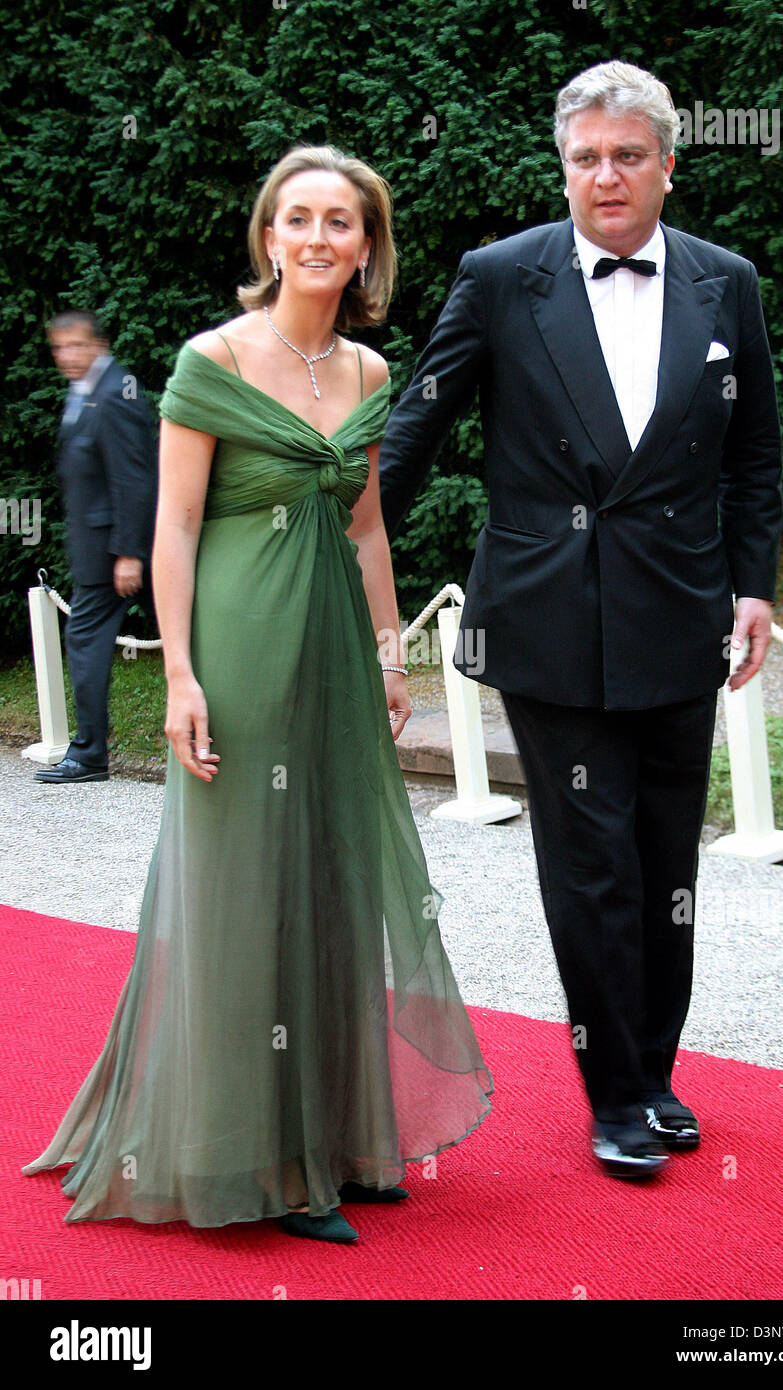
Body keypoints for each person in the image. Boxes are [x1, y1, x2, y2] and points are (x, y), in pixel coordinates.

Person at [23, 146, 492, 1243]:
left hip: (333, 643)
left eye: (343, 221)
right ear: (268, 238)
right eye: (300, 220)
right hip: (237, 645)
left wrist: (390, 654)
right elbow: (173, 526)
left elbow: (368, 523)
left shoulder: (372, 374)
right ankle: (253, 1154)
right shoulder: (212, 359)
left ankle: (334, 1136)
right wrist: (180, 673)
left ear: (367, 244)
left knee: (332, 880)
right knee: (243, 886)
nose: (321, 238)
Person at [378, 61, 783, 1179]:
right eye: (585, 157)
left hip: (680, 615)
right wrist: (345, 550)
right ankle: (615, 1093)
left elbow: (753, 454)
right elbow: (416, 428)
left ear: (666, 161)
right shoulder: (502, 277)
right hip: (547, 621)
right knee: (591, 864)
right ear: (565, 166)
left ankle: (654, 1071)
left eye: (627, 154)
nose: (606, 175)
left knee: (666, 858)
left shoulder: (725, 283)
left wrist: (753, 585)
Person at [35, 311, 157, 784]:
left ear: (99, 344)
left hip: (113, 553)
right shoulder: (90, 389)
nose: (67, 356)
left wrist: (129, 552)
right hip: (101, 548)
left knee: (85, 642)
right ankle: (90, 751)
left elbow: (134, 476)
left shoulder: (115, 392)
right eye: (59, 348)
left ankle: (88, 755)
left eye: (76, 345)